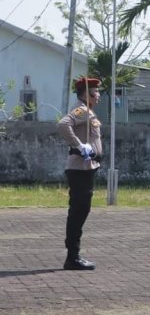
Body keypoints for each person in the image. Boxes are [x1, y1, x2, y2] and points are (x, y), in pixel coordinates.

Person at [57, 76, 103, 270]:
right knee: (78, 210)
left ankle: (73, 255)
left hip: (86, 167)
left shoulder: (89, 111)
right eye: (96, 92)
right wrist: (79, 145)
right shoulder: (82, 110)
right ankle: (72, 257)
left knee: (81, 210)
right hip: (79, 167)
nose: (99, 95)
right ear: (87, 94)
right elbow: (62, 124)